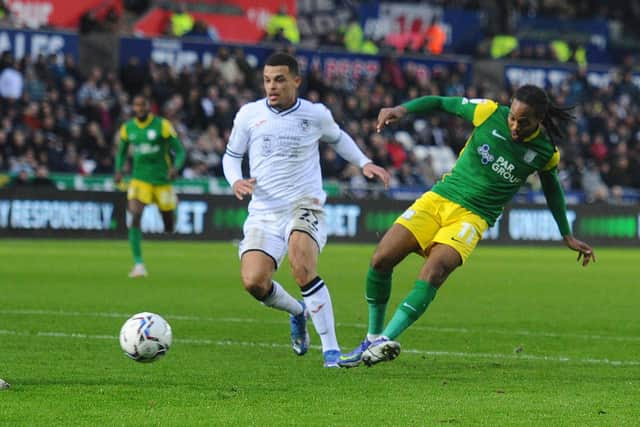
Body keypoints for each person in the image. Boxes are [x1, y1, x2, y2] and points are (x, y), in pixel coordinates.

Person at [338, 85, 596, 368]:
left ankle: (385, 339)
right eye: (512, 117)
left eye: (524, 122)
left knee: (435, 270)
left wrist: (566, 233)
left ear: (539, 119)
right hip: (438, 199)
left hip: (473, 217)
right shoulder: (487, 112)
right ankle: (374, 338)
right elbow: (440, 101)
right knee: (381, 259)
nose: (514, 125)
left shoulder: (545, 152)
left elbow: (553, 189)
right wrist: (401, 110)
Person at [222, 52, 390, 367]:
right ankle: (298, 312)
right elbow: (231, 156)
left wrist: (365, 163)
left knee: (301, 266)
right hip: (264, 212)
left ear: (296, 81)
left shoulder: (315, 115)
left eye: (280, 79)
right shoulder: (248, 115)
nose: (272, 86)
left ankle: (331, 352)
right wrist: (235, 181)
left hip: (304, 205)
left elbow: (338, 139)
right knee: (254, 282)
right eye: (267, 80)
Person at [114, 94, 186, 278]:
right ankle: (138, 264)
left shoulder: (162, 125)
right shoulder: (128, 128)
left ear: (148, 107)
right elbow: (121, 153)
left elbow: (179, 151)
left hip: (162, 181)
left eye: (142, 105)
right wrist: (118, 170)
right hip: (140, 180)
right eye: (136, 105)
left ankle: (173, 206)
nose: (139, 108)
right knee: (135, 216)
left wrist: (175, 168)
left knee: (169, 226)